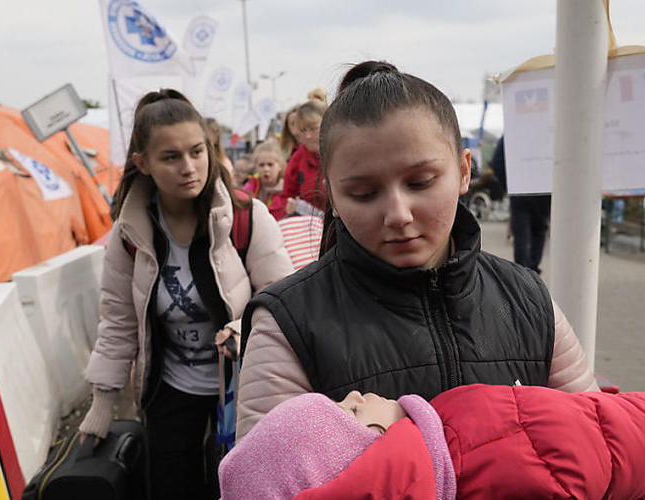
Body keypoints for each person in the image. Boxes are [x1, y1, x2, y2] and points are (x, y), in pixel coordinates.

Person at [235, 61, 598, 440]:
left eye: (420, 182)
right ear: (332, 197)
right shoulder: (286, 325)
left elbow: (597, 448)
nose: (398, 214)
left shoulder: (529, 301)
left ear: (464, 171)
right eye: (364, 193)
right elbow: (265, 481)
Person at [78, 89, 293, 499]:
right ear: (143, 164)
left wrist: (241, 329)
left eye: (197, 151)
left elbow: (282, 298)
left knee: (238, 487)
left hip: (242, 389)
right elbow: (118, 320)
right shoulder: (128, 235)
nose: (189, 167)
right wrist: (102, 404)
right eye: (171, 157)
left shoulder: (246, 217)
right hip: (168, 392)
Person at [219, 385, 645, 499]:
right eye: (349, 408)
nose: (357, 389)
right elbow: (643, 431)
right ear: (373, 446)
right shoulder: (475, 429)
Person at [491, 136, 551, 273]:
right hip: (543, 189)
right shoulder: (549, 129)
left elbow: (497, 162)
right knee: (539, 231)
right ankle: (533, 274)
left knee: (521, 234)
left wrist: (510, 184)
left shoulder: (514, 129)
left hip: (519, 189)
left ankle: (521, 276)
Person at [269, 100, 327, 219]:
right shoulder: (298, 158)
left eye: (313, 129)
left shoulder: (340, 154)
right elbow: (286, 196)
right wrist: (287, 207)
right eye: (303, 130)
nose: (308, 136)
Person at [242, 142, 285, 208]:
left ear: (280, 166)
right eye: (261, 165)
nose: (266, 169)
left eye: (270, 164)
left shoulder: (286, 189)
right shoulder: (251, 187)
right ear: (255, 167)